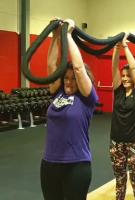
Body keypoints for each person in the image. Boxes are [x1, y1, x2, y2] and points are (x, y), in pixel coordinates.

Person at [40, 19, 99, 200]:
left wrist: (68, 34)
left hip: (76, 165)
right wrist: (55, 35)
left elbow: (79, 68)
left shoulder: (87, 98)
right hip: (49, 163)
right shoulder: (57, 93)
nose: (68, 81)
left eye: (72, 79)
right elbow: (51, 66)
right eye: (65, 78)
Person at [109, 33, 135, 200]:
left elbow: (134, 68)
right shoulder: (118, 91)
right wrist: (116, 49)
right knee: (120, 179)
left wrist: (125, 46)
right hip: (117, 143)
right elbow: (113, 66)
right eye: (122, 76)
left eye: (127, 76)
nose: (124, 78)